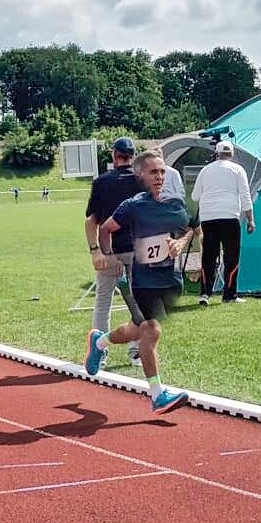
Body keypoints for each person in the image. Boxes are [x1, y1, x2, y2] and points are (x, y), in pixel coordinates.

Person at [84, 150, 194, 415]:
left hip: (165, 277)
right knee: (152, 330)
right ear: (140, 175)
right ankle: (157, 395)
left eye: (162, 172)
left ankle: (100, 342)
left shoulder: (175, 203)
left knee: (137, 329)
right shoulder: (133, 205)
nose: (159, 177)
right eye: (153, 172)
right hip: (138, 276)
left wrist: (179, 243)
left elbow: (191, 229)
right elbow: (104, 229)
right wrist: (108, 257)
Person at [85, 137, 145, 369]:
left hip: (109, 249)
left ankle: (100, 350)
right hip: (136, 249)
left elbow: (92, 220)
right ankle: (135, 352)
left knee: (103, 302)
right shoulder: (141, 181)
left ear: (114, 155)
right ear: (133, 155)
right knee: (139, 303)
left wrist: (96, 251)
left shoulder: (101, 182)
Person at [191, 141, 254, 305]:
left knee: (209, 257)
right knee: (231, 257)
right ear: (231, 154)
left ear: (216, 153)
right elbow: (245, 196)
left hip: (208, 218)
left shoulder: (205, 170)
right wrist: (250, 219)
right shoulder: (238, 170)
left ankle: (205, 293)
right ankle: (229, 294)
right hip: (229, 216)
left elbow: (195, 196)